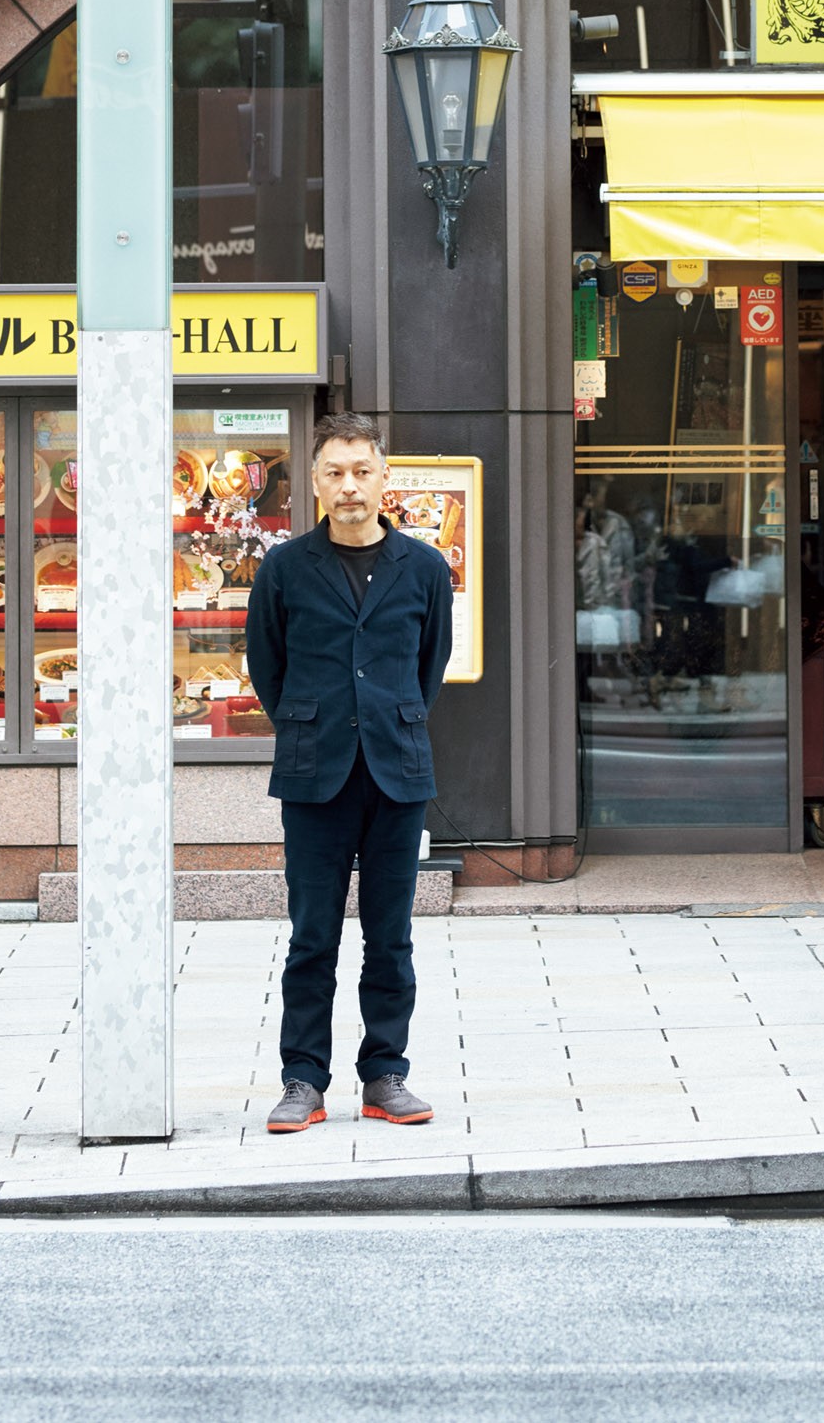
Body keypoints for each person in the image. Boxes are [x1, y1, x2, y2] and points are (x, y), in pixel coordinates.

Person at [246, 412, 454, 1134]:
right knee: (312, 937)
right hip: (314, 774)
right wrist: (316, 724)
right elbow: (266, 668)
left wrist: (383, 720)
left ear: (383, 477)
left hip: (397, 772)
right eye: (334, 472)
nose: (349, 486)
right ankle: (302, 1079)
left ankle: (385, 1074)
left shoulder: (425, 568)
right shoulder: (283, 568)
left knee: (390, 937)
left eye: (361, 471)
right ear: (314, 481)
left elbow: (429, 668)